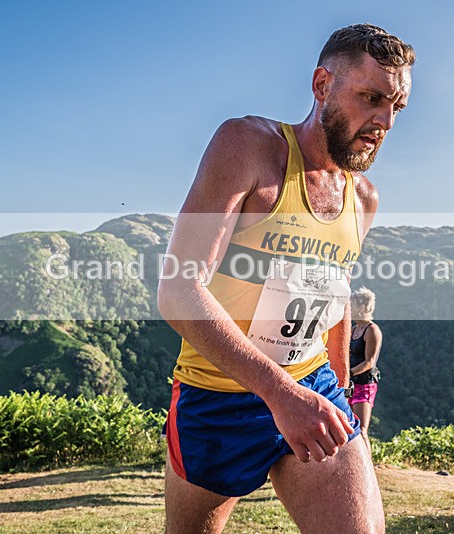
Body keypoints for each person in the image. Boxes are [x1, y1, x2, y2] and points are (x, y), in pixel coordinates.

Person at [157, 23, 414, 533]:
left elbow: (333, 295)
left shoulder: (363, 199)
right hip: (219, 396)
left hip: (311, 384)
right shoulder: (249, 145)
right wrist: (278, 394)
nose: (383, 120)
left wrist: (335, 388)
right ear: (322, 85)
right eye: (370, 98)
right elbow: (179, 290)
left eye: (396, 107)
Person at [349, 287, 383, 456]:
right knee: (348, 427)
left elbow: (369, 362)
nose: (349, 308)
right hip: (351, 384)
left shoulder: (372, 330)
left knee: (362, 429)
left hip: (364, 385)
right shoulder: (354, 330)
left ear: (362, 308)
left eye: (352, 305)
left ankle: (367, 467)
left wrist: (349, 373)